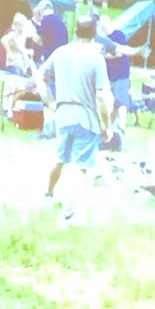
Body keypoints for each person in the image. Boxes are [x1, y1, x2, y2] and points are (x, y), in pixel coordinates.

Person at [39, 13, 114, 214]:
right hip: (85, 118)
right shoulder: (96, 58)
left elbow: (41, 78)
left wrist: (50, 102)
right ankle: (68, 215)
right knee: (81, 168)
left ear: (75, 31)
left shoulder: (60, 52)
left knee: (60, 159)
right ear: (94, 33)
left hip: (63, 115)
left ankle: (48, 195)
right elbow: (101, 96)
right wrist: (107, 126)